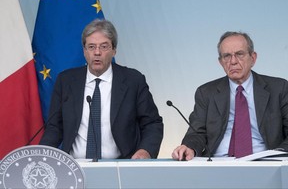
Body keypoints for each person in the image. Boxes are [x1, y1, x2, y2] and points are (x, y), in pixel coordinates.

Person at [40, 19, 163, 159]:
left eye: (104, 47)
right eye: (91, 47)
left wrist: (145, 150)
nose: (97, 52)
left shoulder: (133, 80)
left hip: (121, 166)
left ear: (114, 50)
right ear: (84, 51)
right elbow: (55, 127)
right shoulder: (66, 81)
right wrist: (42, 156)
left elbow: (152, 123)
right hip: (75, 167)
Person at [172, 31, 288, 160]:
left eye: (239, 54)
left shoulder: (279, 88)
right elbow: (197, 132)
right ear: (220, 62)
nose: (233, 61)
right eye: (226, 56)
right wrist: (190, 147)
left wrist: (276, 157)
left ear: (253, 58)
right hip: (218, 164)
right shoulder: (206, 93)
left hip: (265, 162)